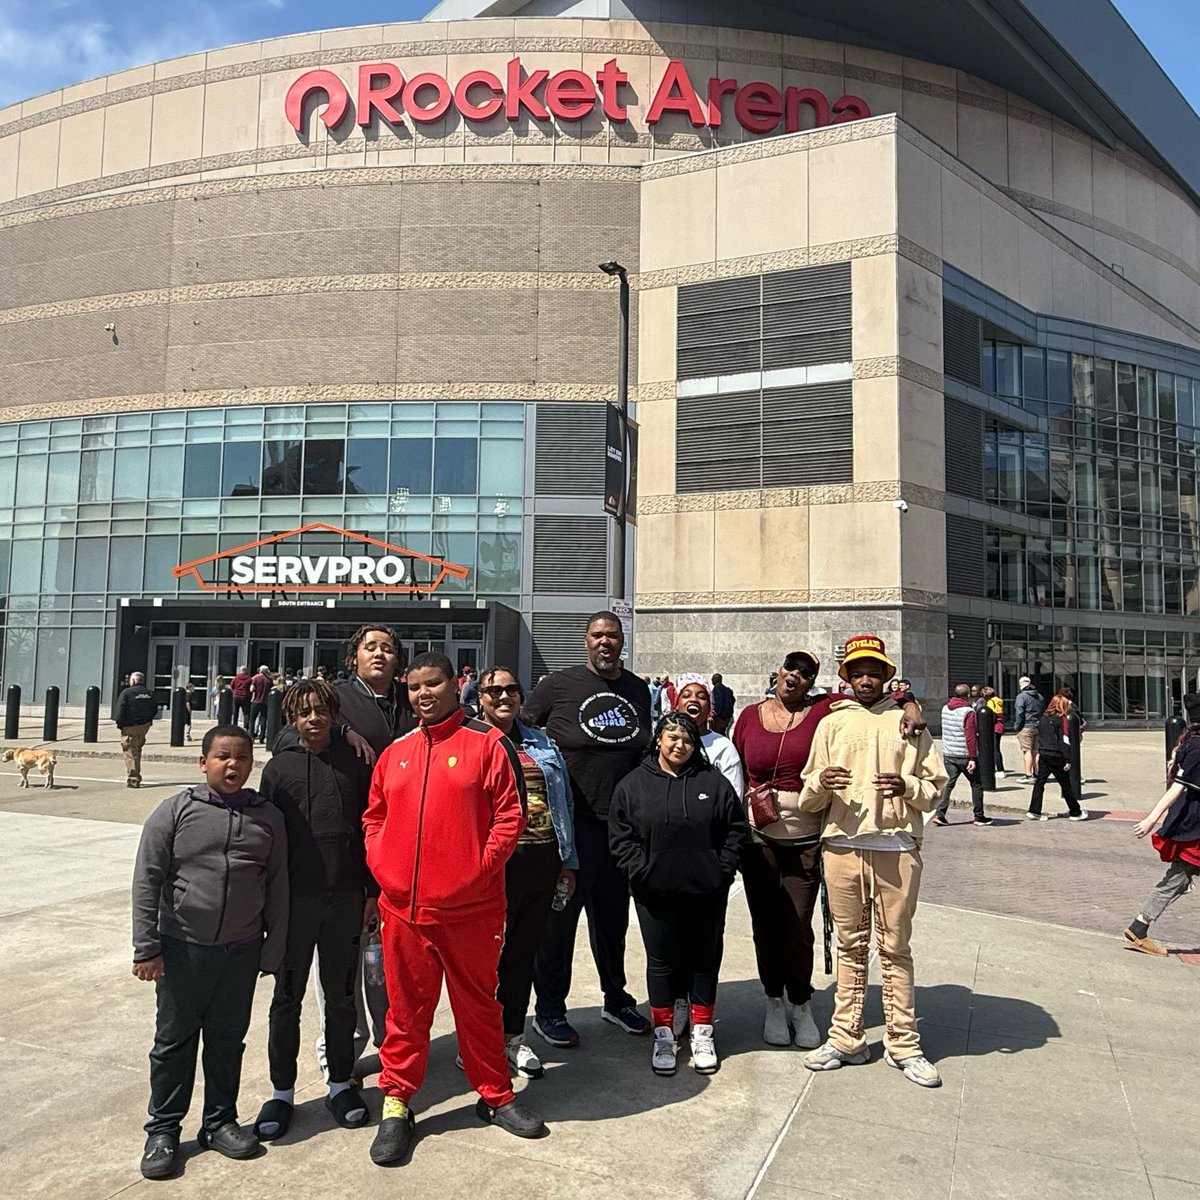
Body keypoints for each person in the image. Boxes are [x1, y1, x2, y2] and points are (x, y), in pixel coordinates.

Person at [364, 652, 544, 1166]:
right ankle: (397, 1103)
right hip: (403, 910)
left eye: (433, 683)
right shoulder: (395, 752)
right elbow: (373, 817)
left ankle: (496, 1094)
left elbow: (512, 817)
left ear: (454, 685)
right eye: (414, 686)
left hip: (472, 910)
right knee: (405, 1012)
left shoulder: (487, 745)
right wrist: (385, 867)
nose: (423, 693)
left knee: (479, 1007)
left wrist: (477, 872)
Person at [732, 649, 922, 1051]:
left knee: (799, 925)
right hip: (757, 835)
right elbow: (734, 768)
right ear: (778, 671)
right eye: (790, 668)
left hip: (806, 838)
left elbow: (874, 697)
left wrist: (911, 703)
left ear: (812, 681)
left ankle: (801, 1002)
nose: (795, 676)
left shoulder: (824, 710)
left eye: (805, 673)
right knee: (764, 924)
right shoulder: (749, 716)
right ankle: (773, 1001)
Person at [130, 725, 288, 1181]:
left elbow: (279, 887)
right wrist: (148, 947)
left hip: (240, 951)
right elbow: (147, 880)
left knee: (226, 1042)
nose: (233, 765)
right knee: (173, 1043)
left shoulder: (267, 818)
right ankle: (162, 1129)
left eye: (241, 757)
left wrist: (270, 950)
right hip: (182, 949)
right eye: (222, 756)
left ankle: (220, 1121)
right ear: (204, 763)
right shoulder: (174, 812)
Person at [799, 635, 947, 1088]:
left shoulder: (909, 723)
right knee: (850, 945)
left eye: (873, 672)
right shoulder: (831, 724)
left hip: (897, 846)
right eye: (857, 672)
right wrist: (822, 781)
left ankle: (904, 1043)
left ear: (887, 676)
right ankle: (846, 1036)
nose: (865, 680)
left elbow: (935, 787)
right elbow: (808, 796)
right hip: (842, 842)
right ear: (847, 677)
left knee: (895, 946)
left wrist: (906, 788)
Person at [274, 625, 416, 1084]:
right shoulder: (333, 702)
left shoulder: (409, 700)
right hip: (349, 860)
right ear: (353, 657)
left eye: (388, 648)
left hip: (405, 852)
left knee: (386, 962)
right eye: (370, 647)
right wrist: (342, 729)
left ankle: (392, 1045)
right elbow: (288, 742)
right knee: (341, 970)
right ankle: (339, 1055)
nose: (379, 654)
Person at [253, 679, 375, 1142]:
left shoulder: (355, 762)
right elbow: (266, 840)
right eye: (303, 712)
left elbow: (370, 828)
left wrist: (371, 893)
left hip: (345, 898)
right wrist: (267, 906)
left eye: (320, 710)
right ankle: (282, 1092)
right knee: (287, 1000)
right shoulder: (279, 769)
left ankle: (341, 1084)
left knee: (341, 998)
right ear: (292, 717)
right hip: (294, 904)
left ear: (334, 713)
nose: (313, 719)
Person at [524, 611, 653, 1048]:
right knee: (559, 924)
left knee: (613, 922)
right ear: (585, 641)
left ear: (621, 641)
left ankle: (615, 1000)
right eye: (597, 635)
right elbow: (520, 731)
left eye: (612, 636)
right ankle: (549, 1010)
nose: (605, 642)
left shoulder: (637, 690)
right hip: (572, 832)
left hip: (620, 832)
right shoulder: (558, 686)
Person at [609, 712, 746, 1076]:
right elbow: (620, 837)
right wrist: (642, 872)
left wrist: (722, 871)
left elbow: (735, 829)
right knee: (662, 962)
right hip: (655, 893)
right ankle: (664, 1034)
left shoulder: (713, 783)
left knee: (704, 960)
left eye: (686, 739)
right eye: (672, 738)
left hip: (706, 891)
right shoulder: (634, 784)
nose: (679, 745)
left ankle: (702, 1032)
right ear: (658, 741)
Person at [474, 666, 578, 1080]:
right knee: (484, 961)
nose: (503, 697)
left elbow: (562, 802)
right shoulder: (471, 741)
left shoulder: (542, 742)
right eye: (493, 690)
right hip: (493, 868)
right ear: (479, 697)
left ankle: (512, 1036)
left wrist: (568, 862)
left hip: (541, 861)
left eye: (511, 690)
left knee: (521, 956)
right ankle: (479, 1040)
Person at [1124, 694, 1200, 955]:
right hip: (1193, 827)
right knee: (1176, 877)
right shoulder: (1197, 748)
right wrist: (1150, 819)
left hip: (1191, 824)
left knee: (1178, 878)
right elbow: (1176, 789)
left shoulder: (1190, 744)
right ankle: (1139, 927)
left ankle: (1140, 926)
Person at [931, 683, 991, 827]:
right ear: (968, 695)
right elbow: (970, 735)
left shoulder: (945, 708)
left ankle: (940, 813)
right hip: (964, 754)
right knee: (976, 784)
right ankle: (979, 816)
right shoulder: (968, 711)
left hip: (949, 752)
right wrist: (972, 757)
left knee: (948, 784)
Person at [676, 678, 745, 796]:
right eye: (686, 695)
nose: (693, 699)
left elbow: (734, 796)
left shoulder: (723, 747)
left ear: (709, 707)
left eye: (702, 697)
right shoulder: (665, 745)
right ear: (676, 705)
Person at [1027, 694, 1088, 821]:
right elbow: (1063, 740)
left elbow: (1041, 736)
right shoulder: (1062, 719)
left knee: (1040, 782)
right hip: (1056, 754)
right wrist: (1068, 759)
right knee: (1065, 785)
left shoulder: (1043, 718)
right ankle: (1075, 811)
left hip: (1044, 753)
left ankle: (1034, 810)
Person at [114, 670, 158, 789]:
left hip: (130, 725)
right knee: (137, 748)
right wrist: (147, 721)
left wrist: (120, 723)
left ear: (133, 681)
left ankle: (133, 778)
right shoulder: (149, 693)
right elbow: (155, 709)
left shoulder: (127, 693)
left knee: (129, 750)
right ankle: (135, 773)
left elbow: (120, 710)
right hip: (144, 725)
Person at [1013, 675, 1044, 782]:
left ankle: (1028, 775)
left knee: (1027, 750)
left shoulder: (1021, 696)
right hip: (1038, 725)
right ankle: (1038, 773)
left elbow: (1019, 712)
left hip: (1026, 726)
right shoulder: (1039, 696)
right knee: (1036, 750)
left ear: (1021, 685)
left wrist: (1017, 726)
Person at [983, 685, 1005, 777]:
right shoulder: (998, 701)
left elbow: (990, 715)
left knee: (995, 749)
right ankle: (999, 768)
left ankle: (1000, 769)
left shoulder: (991, 702)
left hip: (994, 727)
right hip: (1000, 726)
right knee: (997, 748)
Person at [248, 666, 271, 744]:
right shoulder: (269, 680)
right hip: (265, 702)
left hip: (256, 701)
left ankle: (251, 736)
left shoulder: (256, 678)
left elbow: (251, 689)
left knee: (252, 719)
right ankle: (262, 737)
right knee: (263, 719)